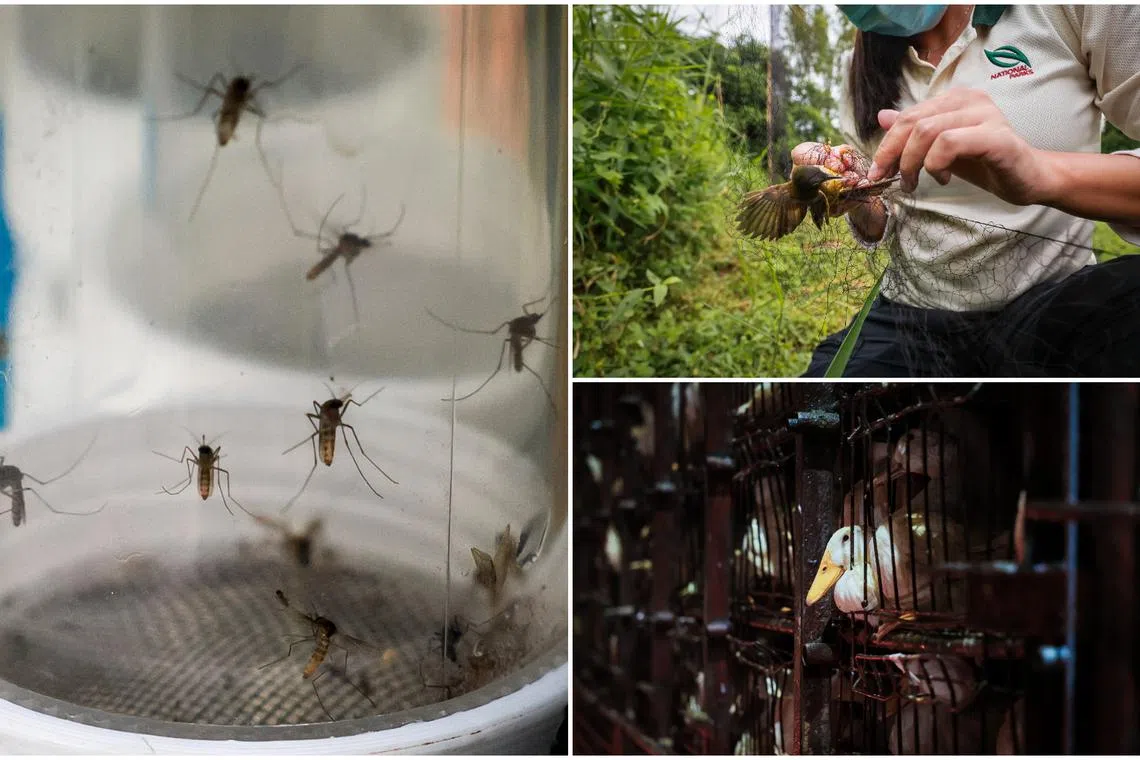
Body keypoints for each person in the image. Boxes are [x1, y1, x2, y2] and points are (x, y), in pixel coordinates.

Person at [802, 5, 1140, 377]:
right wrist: (854, 197)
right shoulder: (859, 70)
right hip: (912, 316)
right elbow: (883, 219)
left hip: (1048, 304)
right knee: (820, 405)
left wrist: (1042, 174)